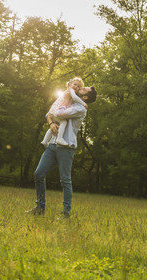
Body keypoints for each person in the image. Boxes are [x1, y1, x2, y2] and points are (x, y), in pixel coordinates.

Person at [26, 85, 97, 219]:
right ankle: (40, 207)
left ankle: (65, 213)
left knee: (65, 180)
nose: (80, 88)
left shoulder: (80, 108)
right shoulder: (69, 99)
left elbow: (58, 113)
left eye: (83, 89)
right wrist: (51, 124)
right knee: (39, 173)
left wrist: (65, 99)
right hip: (53, 144)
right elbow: (49, 114)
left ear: (85, 97)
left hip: (66, 147)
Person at [41, 77, 85, 148]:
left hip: (53, 110)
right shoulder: (71, 91)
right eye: (75, 84)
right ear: (70, 84)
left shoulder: (66, 91)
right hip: (57, 111)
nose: (76, 87)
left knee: (54, 126)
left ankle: (45, 141)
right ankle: (59, 138)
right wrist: (83, 104)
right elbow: (75, 97)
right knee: (64, 122)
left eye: (79, 87)